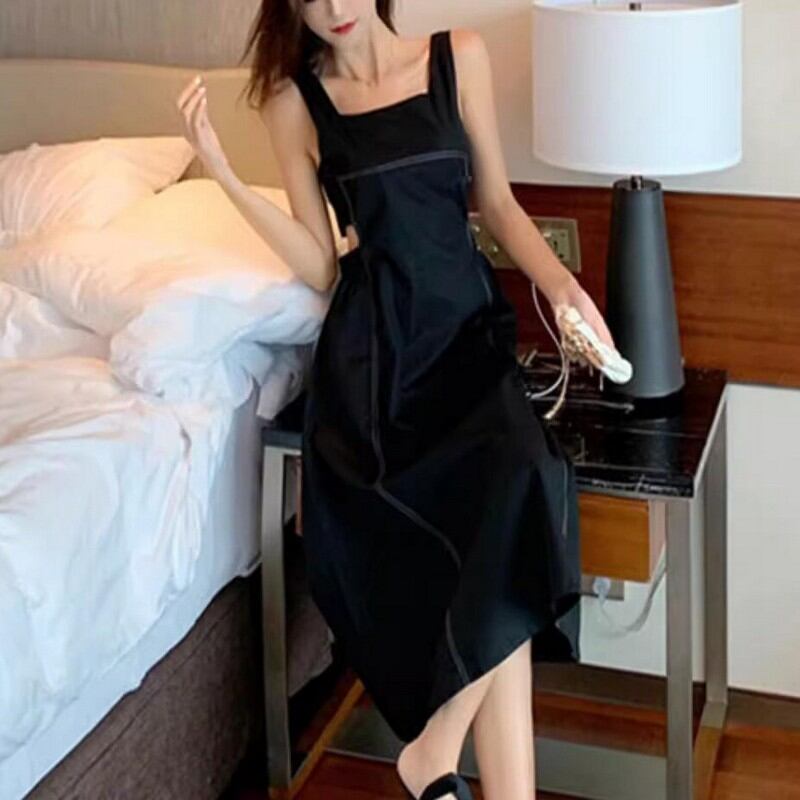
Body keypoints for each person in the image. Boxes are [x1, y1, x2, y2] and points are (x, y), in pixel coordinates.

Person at [177, 3, 616, 798]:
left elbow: (499, 205)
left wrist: (563, 290)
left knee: (526, 483)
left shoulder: (457, 57)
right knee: (506, 540)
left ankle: (430, 751)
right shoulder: (294, 102)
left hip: (469, 342)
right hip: (380, 364)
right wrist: (225, 175)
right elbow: (320, 264)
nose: (335, 10)